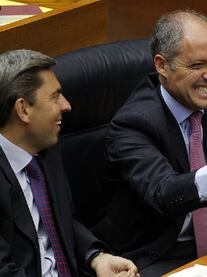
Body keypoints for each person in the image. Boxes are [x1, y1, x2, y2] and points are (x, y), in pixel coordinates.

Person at [92, 9, 207, 276]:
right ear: (162, 65)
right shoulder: (133, 124)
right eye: (197, 65)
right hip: (160, 253)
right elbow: (166, 194)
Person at [0, 49, 139, 277]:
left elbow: (62, 223)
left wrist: (97, 257)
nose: (67, 106)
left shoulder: (46, 148)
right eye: (55, 96)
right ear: (23, 109)